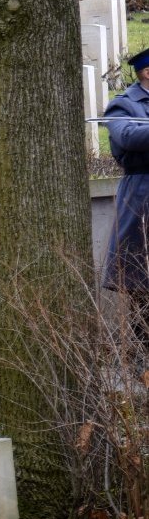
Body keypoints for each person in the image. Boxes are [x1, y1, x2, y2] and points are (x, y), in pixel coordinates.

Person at [105, 47, 149, 355]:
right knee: (142, 284)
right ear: (146, 71)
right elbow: (128, 138)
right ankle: (145, 360)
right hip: (143, 195)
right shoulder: (123, 105)